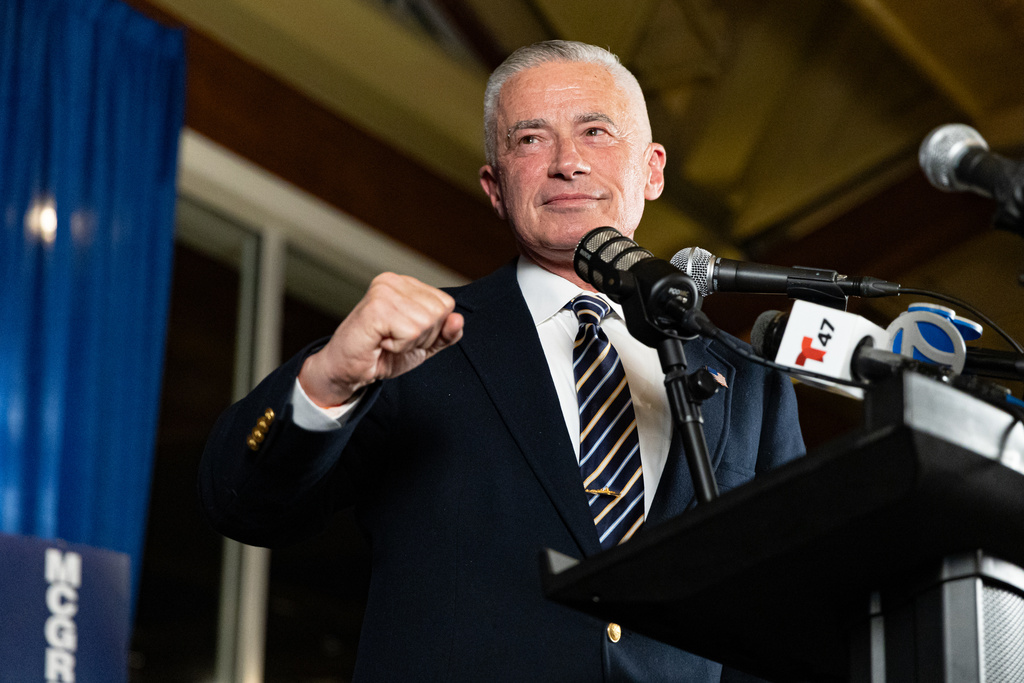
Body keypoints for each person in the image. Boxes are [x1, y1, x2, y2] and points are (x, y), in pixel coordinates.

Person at [200, 40, 804, 681]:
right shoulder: (413, 346)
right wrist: (327, 382)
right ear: (494, 187)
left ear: (652, 171)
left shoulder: (745, 380)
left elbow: (781, 620)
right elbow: (242, 504)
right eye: (530, 140)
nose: (568, 163)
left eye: (595, 131)